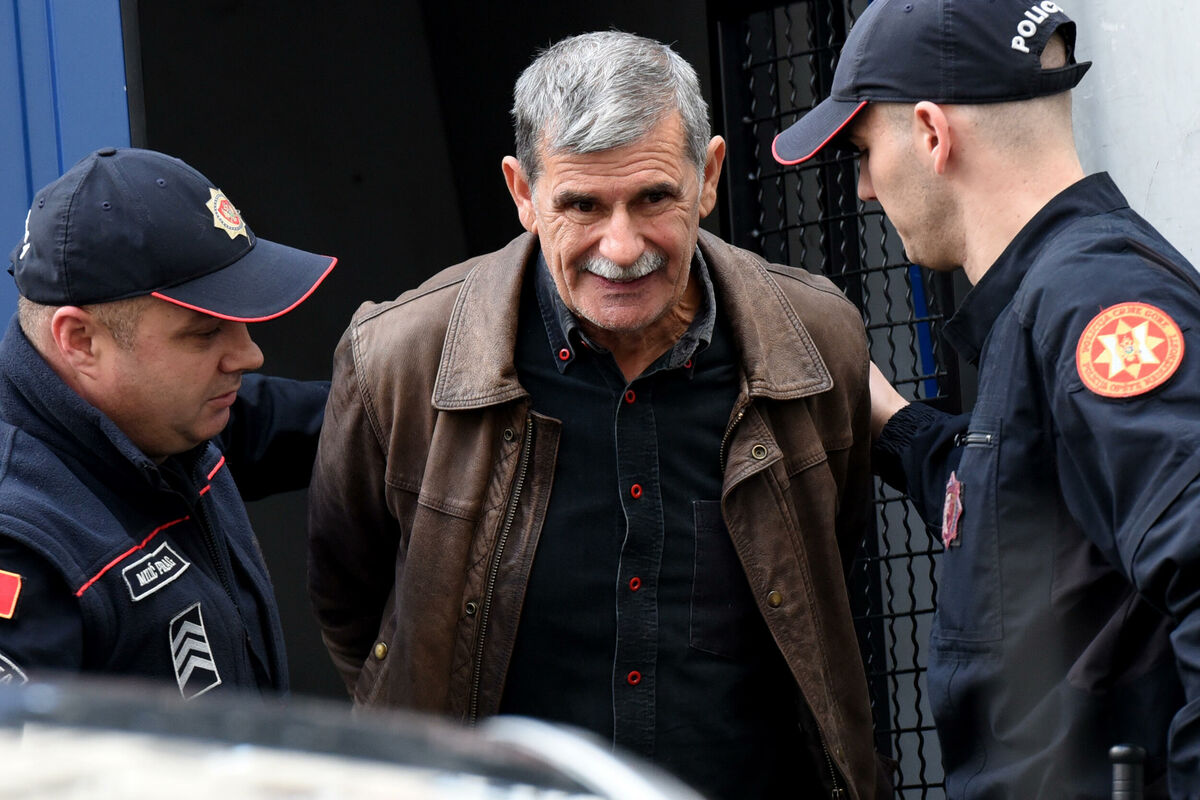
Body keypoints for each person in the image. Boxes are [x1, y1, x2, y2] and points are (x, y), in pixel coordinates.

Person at [309, 31, 889, 800]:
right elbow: (352, 605)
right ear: (523, 193)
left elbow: (826, 555)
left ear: (709, 177)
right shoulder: (399, 359)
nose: (621, 247)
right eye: (582, 205)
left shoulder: (816, 338)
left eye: (653, 199)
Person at [773, 0, 1200, 796]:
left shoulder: (1096, 304)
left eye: (862, 152)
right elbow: (1030, 518)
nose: (862, 188)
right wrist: (894, 425)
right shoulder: (1054, 300)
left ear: (931, 134)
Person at [0, 147, 337, 699]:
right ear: (80, 341)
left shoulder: (164, 420)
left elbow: (334, 422)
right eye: (204, 333)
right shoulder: (21, 546)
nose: (249, 356)